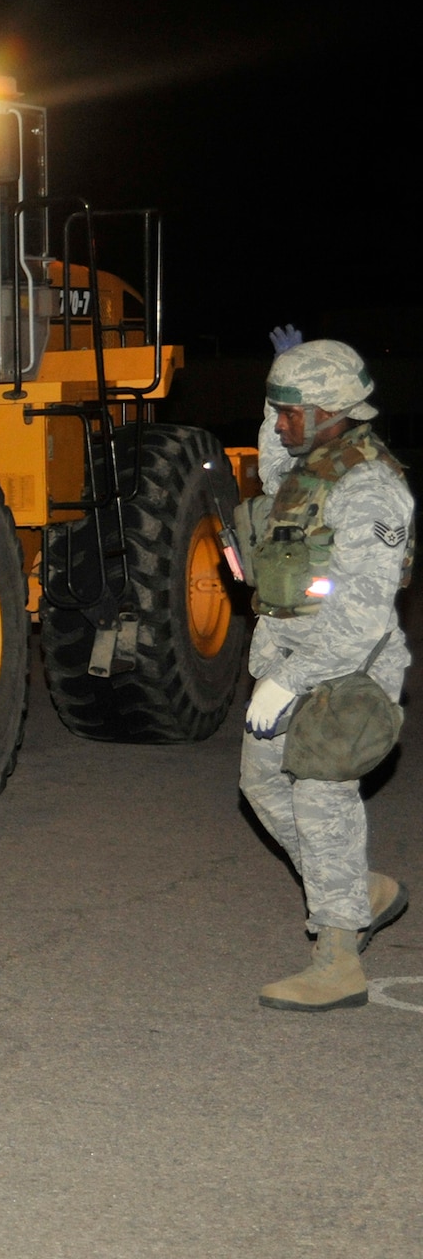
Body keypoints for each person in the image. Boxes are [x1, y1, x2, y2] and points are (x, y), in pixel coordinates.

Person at [241, 338, 414, 1012]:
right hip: (289, 660)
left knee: (322, 802)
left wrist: (294, 680)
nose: (279, 423)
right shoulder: (311, 463)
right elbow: (269, 464)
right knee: (261, 785)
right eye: (277, 408)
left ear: (330, 412)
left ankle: (338, 958)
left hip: (347, 671)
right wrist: (277, 388)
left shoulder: (371, 490)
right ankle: (356, 889)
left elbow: (362, 614)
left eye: (290, 410)